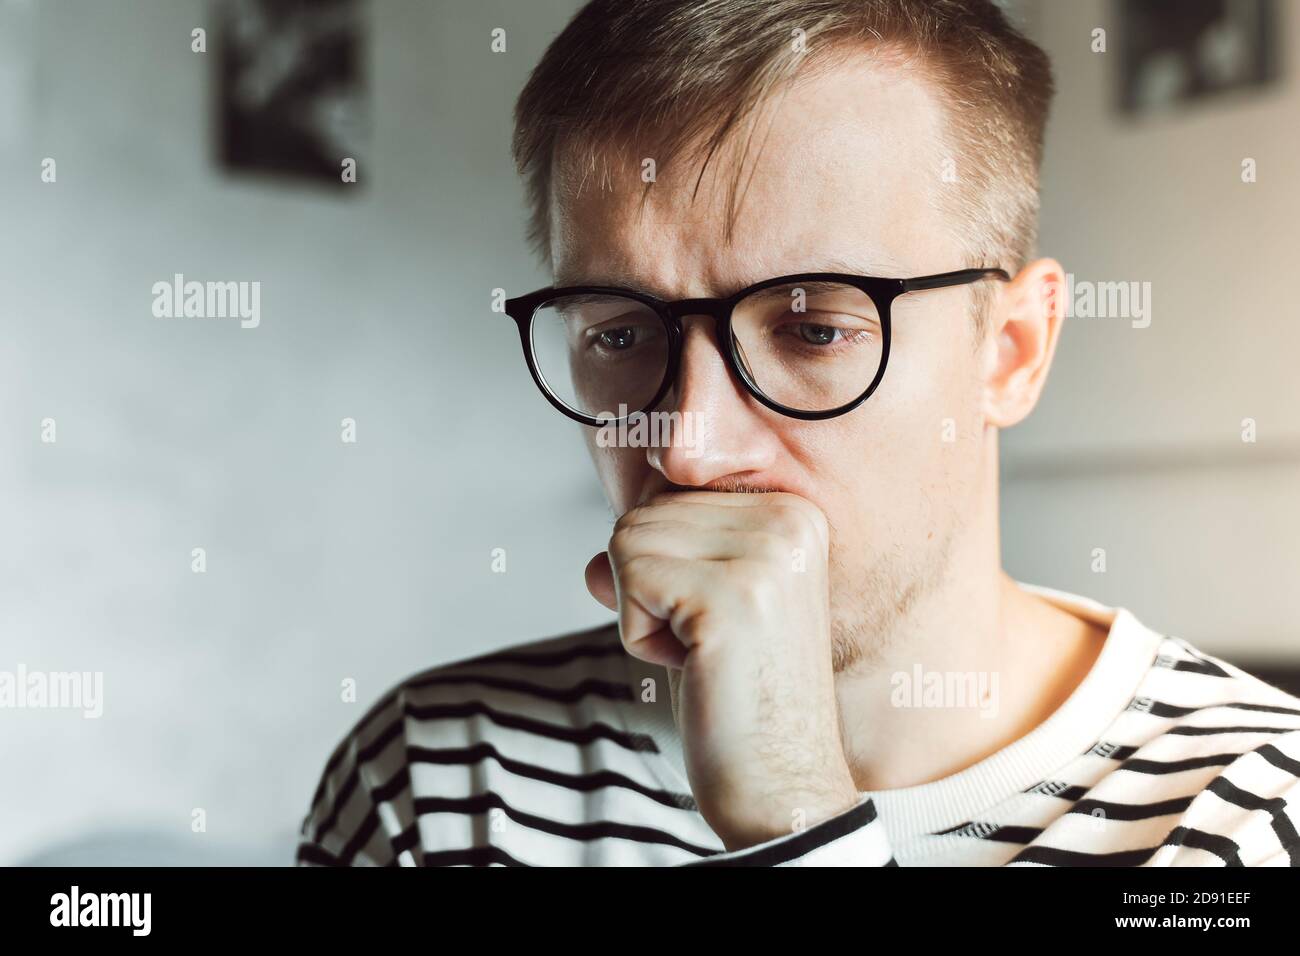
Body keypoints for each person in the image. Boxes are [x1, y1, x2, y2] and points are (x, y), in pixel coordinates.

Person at [297, 0, 1300, 866]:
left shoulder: (1250, 811)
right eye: (618, 331)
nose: (684, 446)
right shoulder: (436, 776)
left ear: (1010, 351)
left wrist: (794, 820)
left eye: (814, 327)